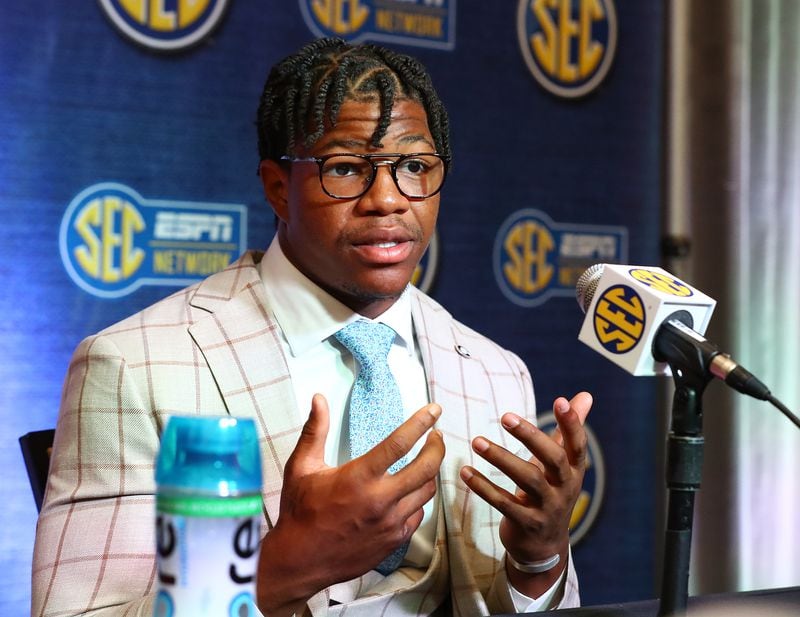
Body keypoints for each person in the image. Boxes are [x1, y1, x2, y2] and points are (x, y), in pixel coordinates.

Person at [32, 37, 592, 617]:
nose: (388, 200)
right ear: (278, 187)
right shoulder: (136, 365)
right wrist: (282, 570)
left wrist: (540, 560)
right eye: (346, 168)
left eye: (414, 166)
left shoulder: (495, 372)